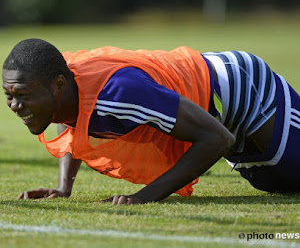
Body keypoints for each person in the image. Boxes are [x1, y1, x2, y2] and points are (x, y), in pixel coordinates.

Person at [2, 39, 300, 205]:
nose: (15, 106)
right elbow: (68, 118)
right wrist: (63, 188)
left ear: (57, 86)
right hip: (211, 104)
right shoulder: (57, 79)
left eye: (23, 95)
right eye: (8, 95)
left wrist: (142, 198)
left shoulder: (117, 92)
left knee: (293, 177)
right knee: (271, 184)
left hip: (241, 85)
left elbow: (218, 139)